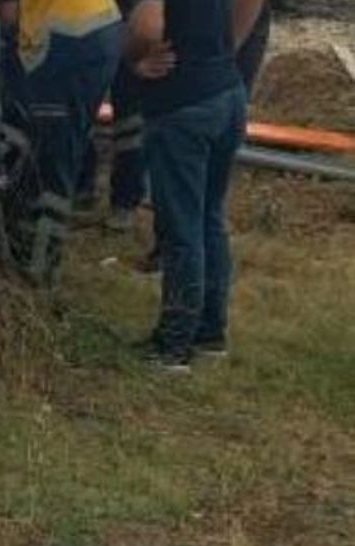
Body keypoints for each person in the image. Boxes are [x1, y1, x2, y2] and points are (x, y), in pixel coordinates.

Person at [128, 0, 266, 371]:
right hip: (226, 91)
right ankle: (209, 334)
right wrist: (222, 53)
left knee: (181, 229)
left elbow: (147, 26)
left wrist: (136, 59)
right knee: (209, 219)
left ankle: (173, 345)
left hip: (182, 104)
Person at [0, 0, 125, 285]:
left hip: (64, 38)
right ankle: (37, 258)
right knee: (62, 147)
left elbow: (6, 14)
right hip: (98, 25)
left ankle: (37, 273)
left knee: (48, 160)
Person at [74, 0, 146, 234]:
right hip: (91, 22)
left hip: (126, 23)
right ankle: (83, 188)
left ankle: (124, 200)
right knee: (80, 113)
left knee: (129, 124)